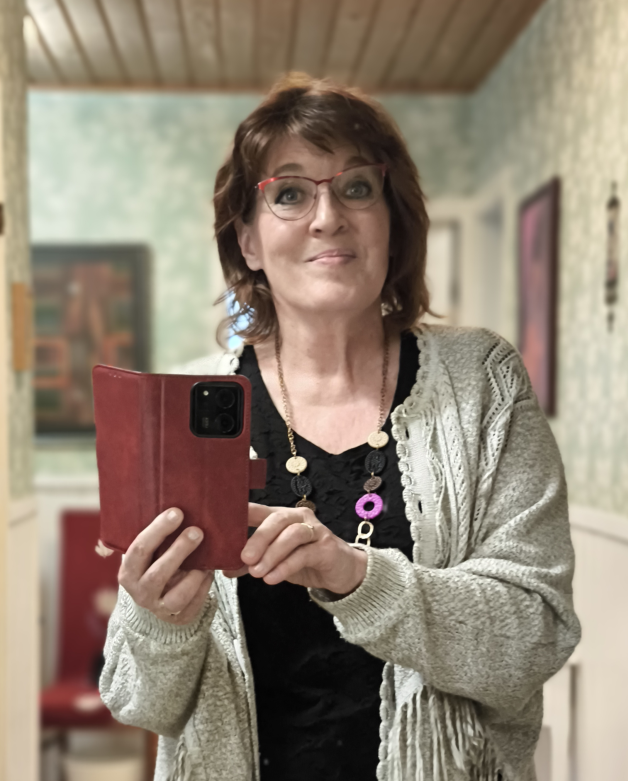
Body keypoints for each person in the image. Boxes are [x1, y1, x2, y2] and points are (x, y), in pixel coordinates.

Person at [99, 73, 581, 781]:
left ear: (392, 221)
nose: (327, 217)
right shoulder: (184, 406)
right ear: (248, 241)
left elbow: (536, 633)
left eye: (357, 187)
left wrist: (356, 577)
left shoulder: (483, 381)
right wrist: (160, 619)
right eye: (290, 193)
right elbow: (138, 700)